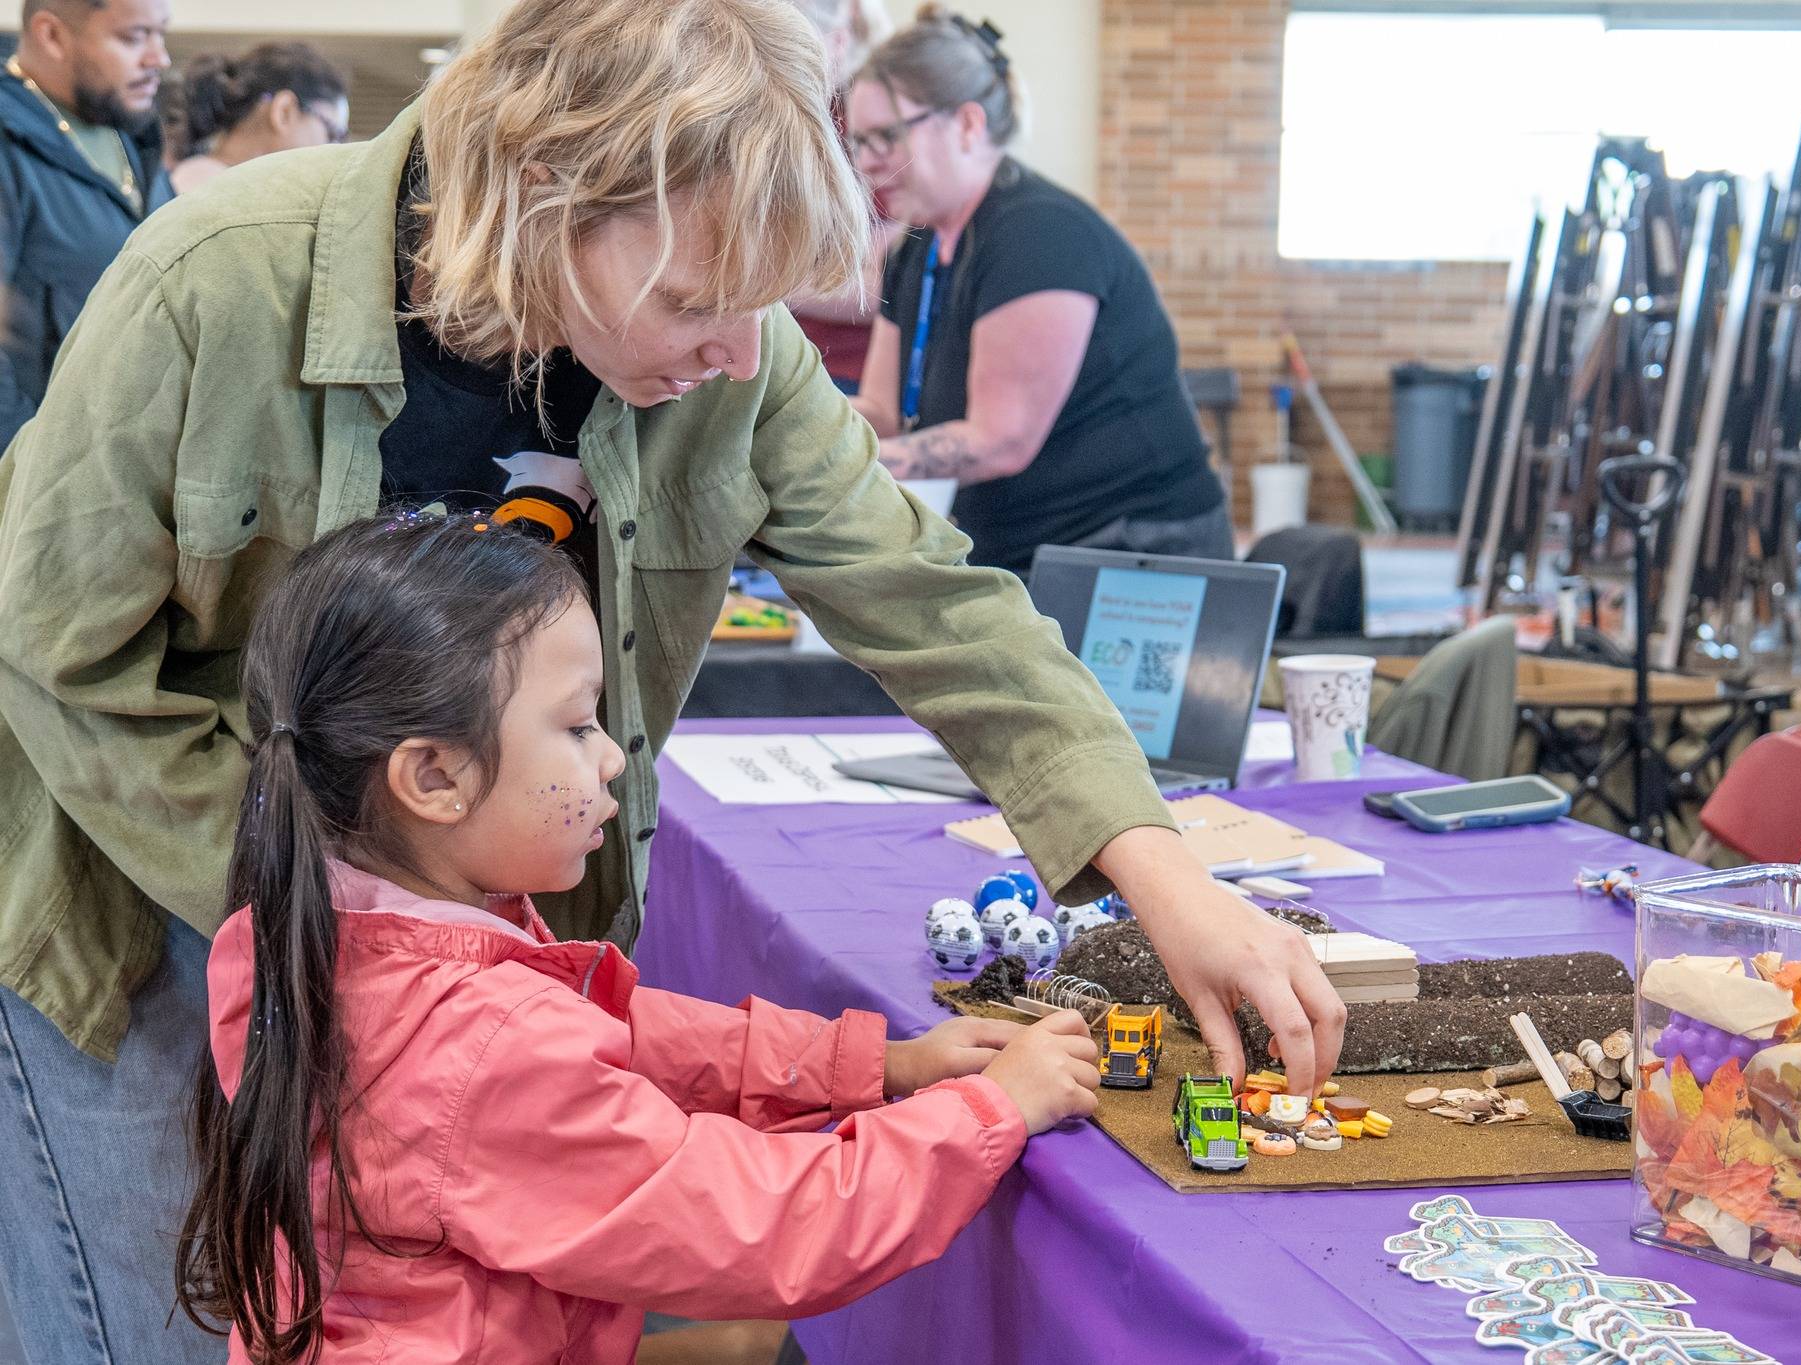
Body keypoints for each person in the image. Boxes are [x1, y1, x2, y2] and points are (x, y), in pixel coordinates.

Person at [0, 1, 1342, 1357]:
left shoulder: (725, 355)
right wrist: (330, 913)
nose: (742, 357)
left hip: (435, 950)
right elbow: (54, 650)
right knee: (176, 1319)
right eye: (700, 300)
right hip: (146, 904)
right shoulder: (217, 279)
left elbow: (936, 599)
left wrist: (1163, 874)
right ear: (540, 194)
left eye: (767, 303)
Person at [175, 515, 1098, 1361]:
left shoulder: (321, 928)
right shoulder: (486, 1049)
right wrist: (991, 1113)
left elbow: (620, 1035)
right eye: (577, 726)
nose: (613, 755)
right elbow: (763, 1225)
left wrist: (870, 1067)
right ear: (433, 776)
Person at [846, 8, 1231, 576]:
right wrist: (787, 428)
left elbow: (1000, 442)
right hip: (1028, 548)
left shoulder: (1039, 234)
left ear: (968, 125)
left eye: (887, 136)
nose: (870, 161)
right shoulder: (919, 246)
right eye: (857, 142)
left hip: (1136, 553)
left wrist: (824, 462)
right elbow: (882, 411)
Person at [0, 0, 174, 451]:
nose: (160, 58)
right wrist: (25, 471)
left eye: (161, 34)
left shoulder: (134, 138)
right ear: (52, 35)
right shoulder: (10, 146)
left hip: (128, 464)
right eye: (134, 37)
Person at [785, 0, 893, 393]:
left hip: (845, 370)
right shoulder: (776, 117)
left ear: (838, 43)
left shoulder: (867, 126)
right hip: (776, 354)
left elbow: (884, 287)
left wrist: (763, 288)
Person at [167, 41, 349, 194]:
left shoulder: (201, 178)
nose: (335, 150)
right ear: (283, 112)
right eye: (332, 133)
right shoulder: (209, 188)